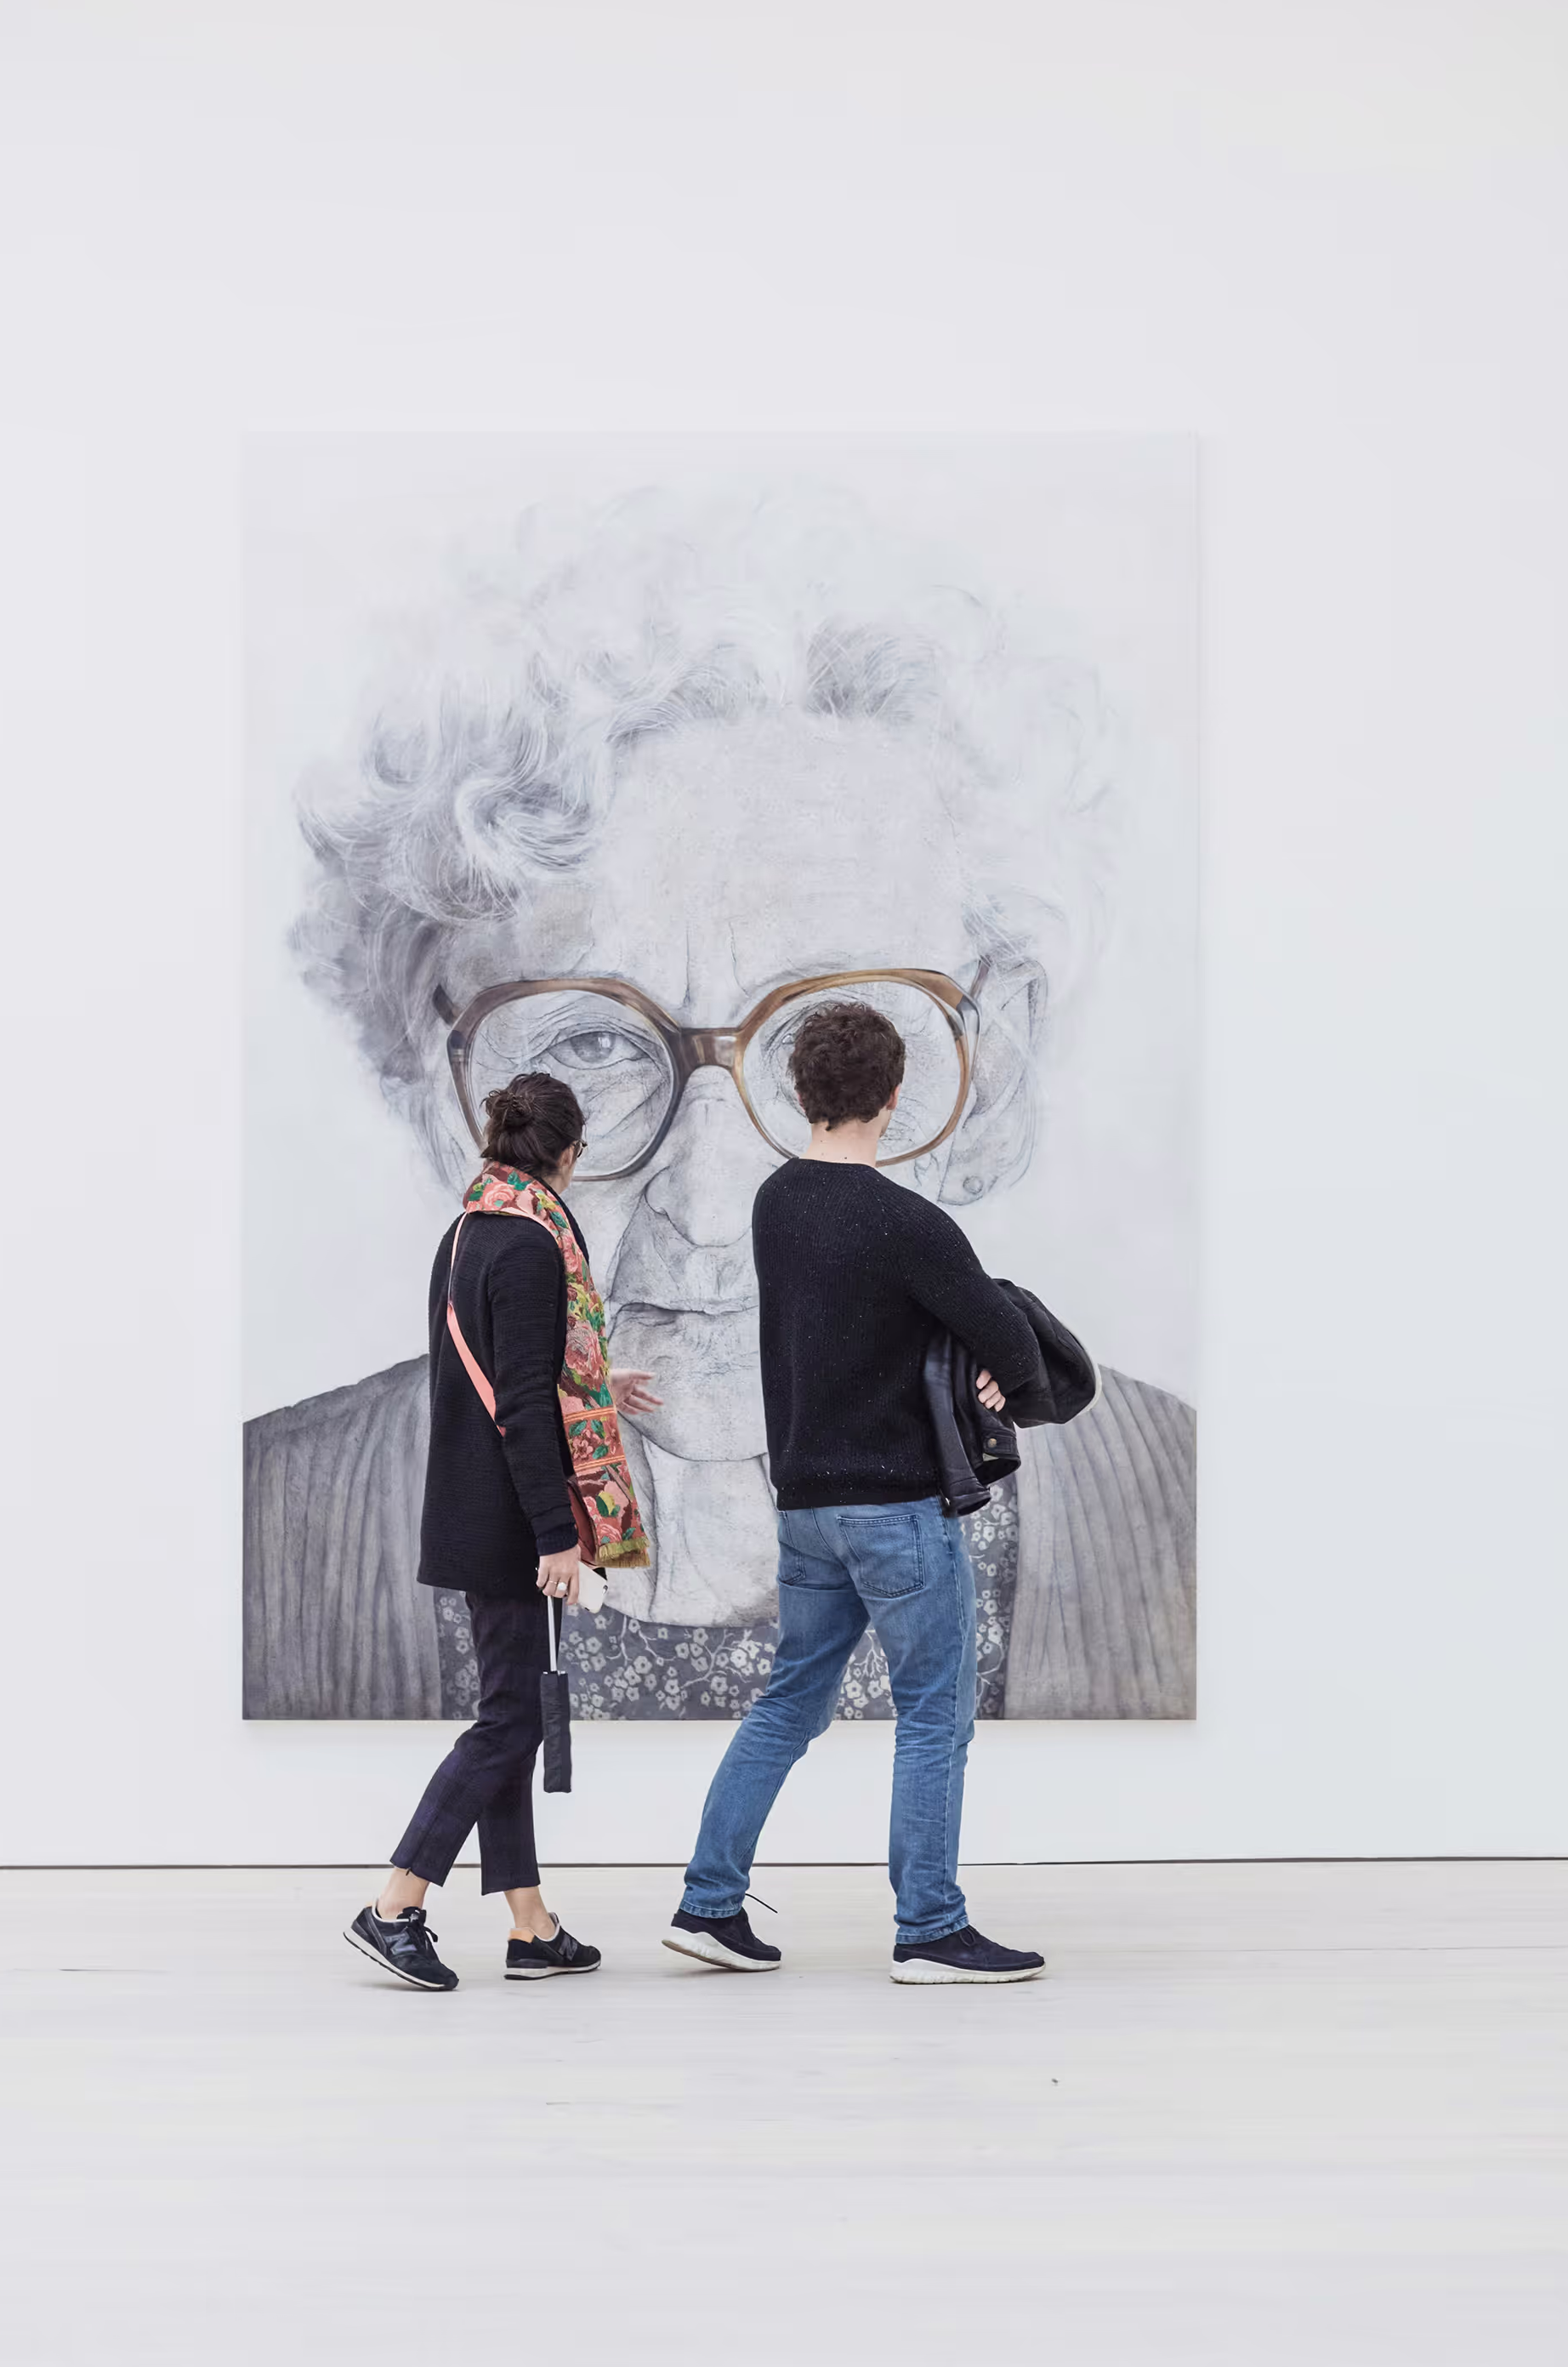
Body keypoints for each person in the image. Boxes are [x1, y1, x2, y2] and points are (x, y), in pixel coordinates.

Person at [245, 490, 1194, 1722]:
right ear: (449, 1086)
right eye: (591, 1039)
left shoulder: (1185, 1500)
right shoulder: (266, 1524)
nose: (710, 1201)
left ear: (988, 1066)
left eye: (825, 1037)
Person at [665, 1001, 1048, 1984]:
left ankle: (707, 1903)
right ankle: (929, 1927)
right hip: (895, 1511)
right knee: (932, 1715)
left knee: (787, 1701)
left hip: (805, 1508)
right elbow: (1010, 1343)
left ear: (800, 1093)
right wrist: (1004, 1376)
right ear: (890, 1097)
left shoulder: (773, 1204)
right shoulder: (909, 1224)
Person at [345, 1071, 659, 1991]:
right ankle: (395, 1901)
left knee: (510, 1714)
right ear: (568, 1153)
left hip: (476, 1503)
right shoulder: (530, 1243)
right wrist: (557, 1534)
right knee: (509, 1718)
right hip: (510, 1520)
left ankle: (530, 1924)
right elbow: (517, 1400)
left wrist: (598, 1384)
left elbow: (510, 1367)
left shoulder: (470, 1228)